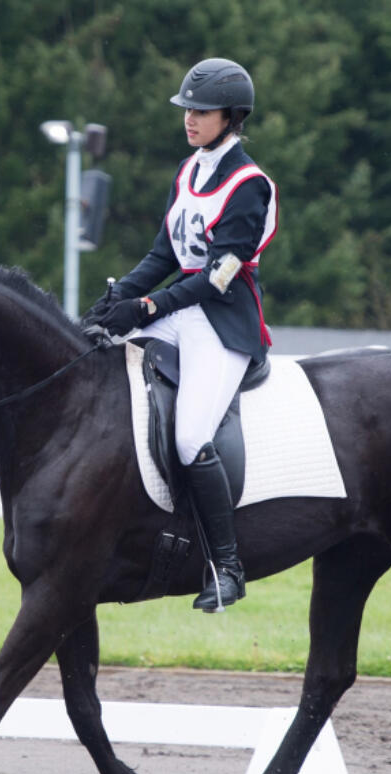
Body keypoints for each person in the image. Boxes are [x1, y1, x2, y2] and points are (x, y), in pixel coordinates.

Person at [86, 57, 278, 612]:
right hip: (178, 310)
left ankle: (227, 566)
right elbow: (164, 254)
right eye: (187, 110)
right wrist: (119, 298)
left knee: (193, 437)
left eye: (202, 111)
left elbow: (217, 277)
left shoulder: (249, 185)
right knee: (97, 352)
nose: (190, 119)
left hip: (222, 323)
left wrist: (146, 306)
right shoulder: (189, 169)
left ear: (232, 116)